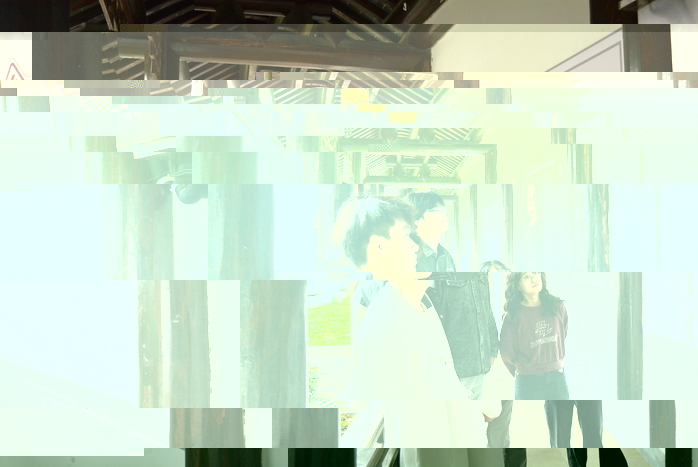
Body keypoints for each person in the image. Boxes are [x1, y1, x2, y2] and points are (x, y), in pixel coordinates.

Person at [334, 196, 500, 467]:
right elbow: (378, 403)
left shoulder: (422, 303)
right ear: (379, 245)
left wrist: (475, 407)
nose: (415, 246)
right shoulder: (383, 318)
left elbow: (442, 375)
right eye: (405, 236)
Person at [405, 191, 500, 401]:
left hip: (466, 358)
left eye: (443, 209)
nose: (443, 214)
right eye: (434, 210)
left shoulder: (445, 255)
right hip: (438, 360)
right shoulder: (411, 257)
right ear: (417, 220)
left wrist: (490, 349)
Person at [480, 261, 526, 467]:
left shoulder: (516, 306)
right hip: (485, 376)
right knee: (482, 424)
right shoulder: (479, 306)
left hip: (507, 376)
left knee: (500, 432)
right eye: (492, 276)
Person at [499, 272, 570, 401]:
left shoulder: (557, 305)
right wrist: (525, 369)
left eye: (536, 273)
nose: (534, 279)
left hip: (557, 377)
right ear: (517, 286)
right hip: (528, 381)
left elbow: (562, 332)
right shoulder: (512, 316)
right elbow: (507, 353)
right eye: (526, 277)